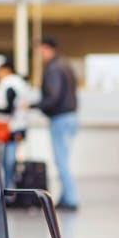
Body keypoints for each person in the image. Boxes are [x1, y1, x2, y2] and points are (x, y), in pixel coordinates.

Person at [36, 38, 79, 210]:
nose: (39, 54)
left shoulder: (53, 68)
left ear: (47, 49)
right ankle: (66, 196)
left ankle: (71, 199)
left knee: (61, 160)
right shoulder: (66, 65)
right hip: (71, 117)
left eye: (40, 50)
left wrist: (35, 105)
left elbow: (53, 97)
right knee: (64, 159)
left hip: (60, 118)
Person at [0, 60, 30, 188]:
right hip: (20, 125)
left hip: (11, 128)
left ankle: (8, 189)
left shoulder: (9, 83)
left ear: (7, 70)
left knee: (8, 161)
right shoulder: (20, 83)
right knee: (11, 160)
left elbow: (8, 109)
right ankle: (10, 188)